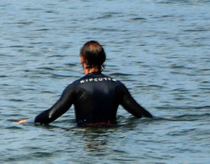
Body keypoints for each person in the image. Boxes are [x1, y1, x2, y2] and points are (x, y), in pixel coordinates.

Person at [19, 41, 152, 126]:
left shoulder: (76, 87)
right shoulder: (117, 86)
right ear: (103, 59)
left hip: (85, 133)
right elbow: (144, 116)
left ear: (82, 59)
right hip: (110, 135)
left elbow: (50, 116)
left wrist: (28, 121)